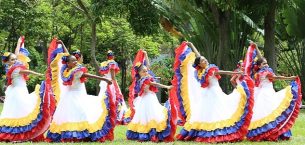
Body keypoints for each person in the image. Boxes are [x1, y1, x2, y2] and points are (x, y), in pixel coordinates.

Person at [172, 41, 254, 143]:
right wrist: (235, 73)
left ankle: (209, 131)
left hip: (211, 93)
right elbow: (222, 72)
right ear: (199, 64)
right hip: (210, 94)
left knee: (214, 112)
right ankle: (210, 132)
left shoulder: (205, 70)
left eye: (205, 59)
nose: (205, 60)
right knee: (212, 112)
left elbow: (200, 56)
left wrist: (192, 45)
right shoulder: (204, 71)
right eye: (202, 61)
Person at [46, 38, 114, 142]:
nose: (75, 61)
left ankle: (79, 134)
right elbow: (88, 75)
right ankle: (74, 135)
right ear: (68, 63)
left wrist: (63, 44)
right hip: (73, 95)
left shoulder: (69, 70)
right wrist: (104, 78)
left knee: (77, 114)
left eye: (75, 60)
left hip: (74, 95)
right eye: (73, 60)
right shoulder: (73, 71)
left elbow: (68, 55)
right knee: (76, 114)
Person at [243, 43, 302, 141]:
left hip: (262, 94)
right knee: (272, 113)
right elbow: (276, 77)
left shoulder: (258, 72)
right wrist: (289, 78)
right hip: (266, 94)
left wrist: (257, 48)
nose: (266, 64)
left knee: (266, 114)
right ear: (260, 66)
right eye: (264, 64)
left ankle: (267, 133)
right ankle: (273, 133)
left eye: (266, 63)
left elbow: (260, 58)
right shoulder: (265, 72)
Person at [0, 36, 52, 142]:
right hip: (18, 91)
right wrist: (38, 73)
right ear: (8, 61)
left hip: (14, 91)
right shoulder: (16, 68)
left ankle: (16, 133)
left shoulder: (9, 67)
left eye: (15, 59)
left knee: (14, 111)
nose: (15, 60)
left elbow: (16, 54)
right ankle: (20, 134)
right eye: (13, 59)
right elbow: (28, 72)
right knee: (22, 110)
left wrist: (19, 43)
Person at [126, 50, 175, 142]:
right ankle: (149, 132)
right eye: (144, 71)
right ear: (139, 73)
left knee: (148, 115)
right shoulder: (144, 79)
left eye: (146, 71)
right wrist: (167, 86)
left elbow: (148, 66)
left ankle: (148, 131)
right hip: (148, 98)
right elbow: (155, 84)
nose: (146, 72)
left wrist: (146, 55)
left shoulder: (143, 78)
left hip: (148, 97)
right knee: (150, 114)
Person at [99, 50, 128, 125]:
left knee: (103, 98)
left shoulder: (103, 64)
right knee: (114, 97)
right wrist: (115, 85)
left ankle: (104, 114)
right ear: (113, 56)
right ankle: (114, 115)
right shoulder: (112, 63)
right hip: (110, 82)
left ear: (107, 56)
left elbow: (103, 75)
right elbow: (113, 76)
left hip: (104, 82)